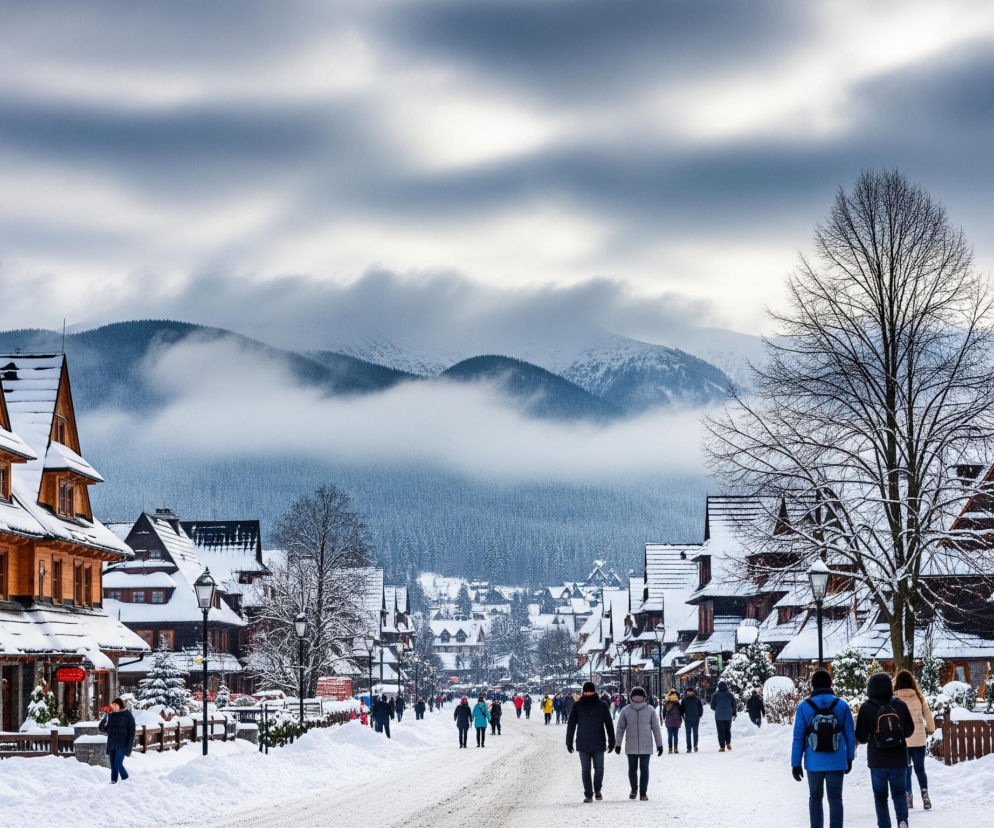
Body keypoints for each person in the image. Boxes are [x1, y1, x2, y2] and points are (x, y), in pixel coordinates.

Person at [790, 669, 856, 828]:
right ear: (830, 684)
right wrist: (849, 757)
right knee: (835, 798)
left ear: (812, 685)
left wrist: (796, 763)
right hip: (837, 760)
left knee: (815, 797)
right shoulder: (842, 705)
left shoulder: (804, 707)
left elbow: (798, 737)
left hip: (814, 762)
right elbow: (849, 735)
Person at [855, 672, 915, 828]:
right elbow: (909, 731)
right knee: (899, 793)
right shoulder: (900, 705)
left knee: (880, 798)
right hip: (899, 759)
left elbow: (861, 737)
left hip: (877, 761)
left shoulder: (867, 707)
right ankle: (902, 821)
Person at [566, 681, 616, 803]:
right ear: (583, 692)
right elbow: (571, 724)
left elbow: (609, 724)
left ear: (594, 692)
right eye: (586, 691)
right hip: (583, 743)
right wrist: (569, 741)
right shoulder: (577, 705)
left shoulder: (602, 705)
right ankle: (588, 794)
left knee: (599, 768)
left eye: (590, 691)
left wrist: (612, 740)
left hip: (599, 742)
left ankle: (597, 790)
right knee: (585, 770)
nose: (588, 693)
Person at [894, 669, 935, 811]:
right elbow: (928, 715)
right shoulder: (918, 697)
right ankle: (925, 794)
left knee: (906, 769)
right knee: (920, 769)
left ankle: (908, 797)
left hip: (903, 739)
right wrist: (931, 728)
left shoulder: (895, 698)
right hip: (918, 738)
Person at [614, 686, 663, 801]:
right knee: (644, 769)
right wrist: (659, 745)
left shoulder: (627, 710)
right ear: (645, 697)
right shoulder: (647, 709)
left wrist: (618, 744)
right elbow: (656, 729)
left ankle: (635, 790)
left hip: (634, 745)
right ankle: (642, 793)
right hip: (643, 745)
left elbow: (620, 728)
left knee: (632, 769)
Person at [98, 697, 136, 784]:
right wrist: (105, 716)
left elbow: (131, 734)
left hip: (122, 745)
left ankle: (127, 782)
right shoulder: (111, 715)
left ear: (120, 705)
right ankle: (113, 782)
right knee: (113, 766)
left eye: (115, 705)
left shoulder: (128, 716)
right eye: (113, 705)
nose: (113, 707)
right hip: (112, 745)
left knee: (118, 763)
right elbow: (102, 728)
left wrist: (128, 748)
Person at [710, 680, 737, 751]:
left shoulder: (715, 695)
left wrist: (718, 709)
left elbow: (712, 706)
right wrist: (733, 713)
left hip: (719, 717)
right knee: (728, 730)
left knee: (720, 731)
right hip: (728, 716)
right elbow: (734, 705)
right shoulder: (730, 694)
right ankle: (728, 743)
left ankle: (722, 747)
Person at [680, 687, 704, 753]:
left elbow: (700, 708)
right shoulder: (684, 700)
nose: (690, 693)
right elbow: (681, 709)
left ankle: (695, 745)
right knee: (688, 734)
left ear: (693, 692)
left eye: (691, 691)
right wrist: (682, 716)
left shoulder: (697, 699)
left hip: (696, 719)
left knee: (695, 733)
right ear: (687, 692)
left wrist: (700, 715)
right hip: (687, 719)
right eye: (688, 691)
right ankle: (689, 748)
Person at [662, 688, 683, 753]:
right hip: (675, 721)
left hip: (670, 721)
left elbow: (664, 712)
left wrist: (664, 718)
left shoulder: (667, 703)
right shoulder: (677, 704)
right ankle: (675, 748)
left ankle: (670, 748)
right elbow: (681, 712)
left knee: (670, 736)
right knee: (675, 736)